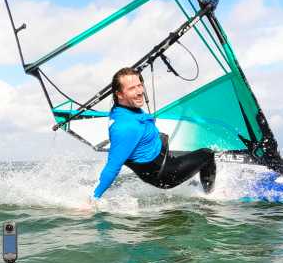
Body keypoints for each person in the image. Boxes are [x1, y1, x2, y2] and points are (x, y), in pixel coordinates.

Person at [90, 67, 216, 204]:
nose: (140, 92)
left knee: (165, 141)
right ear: (119, 94)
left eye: (140, 85)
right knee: (207, 154)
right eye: (132, 88)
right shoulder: (126, 127)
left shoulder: (123, 108)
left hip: (160, 158)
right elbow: (112, 167)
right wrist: (92, 199)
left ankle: (196, 185)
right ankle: (209, 196)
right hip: (165, 174)